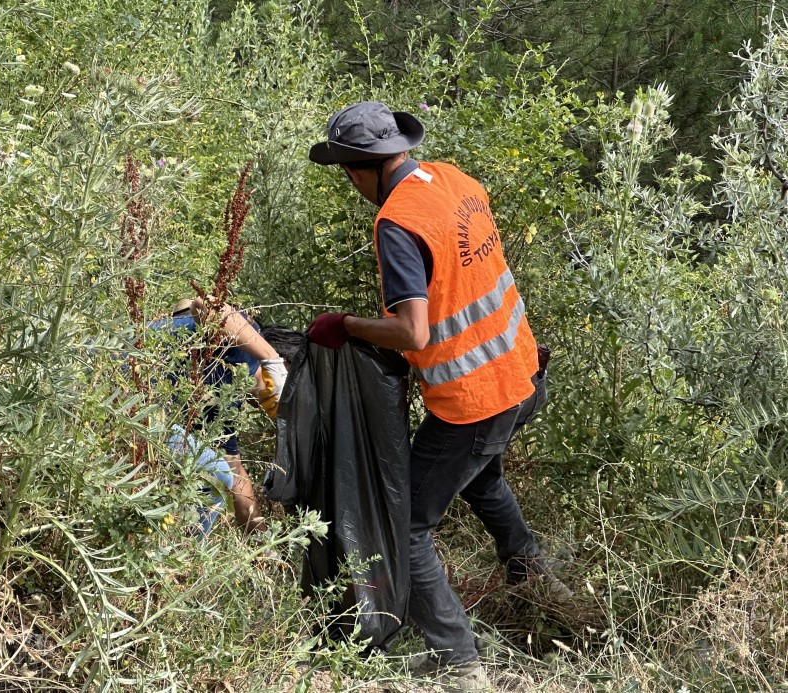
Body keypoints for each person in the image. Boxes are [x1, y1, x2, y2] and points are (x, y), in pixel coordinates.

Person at [305, 101, 556, 692]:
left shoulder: (397, 222)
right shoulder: (455, 181)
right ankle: (537, 580)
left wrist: (347, 324)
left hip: (476, 399)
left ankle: (460, 664)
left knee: (407, 524)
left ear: (357, 169)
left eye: (346, 175)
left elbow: (414, 331)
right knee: (481, 476)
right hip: (522, 371)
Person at [148, 297, 288, 535]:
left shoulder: (223, 392)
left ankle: (179, 557)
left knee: (217, 469)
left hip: (130, 412)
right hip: (102, 392)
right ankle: (182, 560)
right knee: (213, 473)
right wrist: (271, 359)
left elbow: (237, 476)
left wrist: (264, 546)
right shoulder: (240, 347)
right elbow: (206, 304)